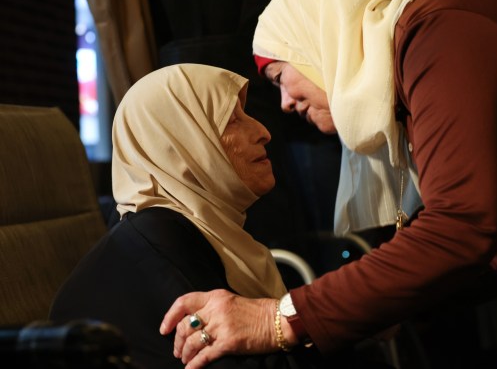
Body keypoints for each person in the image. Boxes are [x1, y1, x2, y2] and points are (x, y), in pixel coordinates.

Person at [159, 0, 497, 369]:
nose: (283, 105)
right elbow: (489, 237)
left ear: (321, 42)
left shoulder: (440, 38)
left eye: (280, 77)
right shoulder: (426, 53)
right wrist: (374, 301)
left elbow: (461, 227)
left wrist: (276, 318)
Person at [49, 64, 372, 369]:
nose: (262, 132)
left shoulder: (204, 227)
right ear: (180, 144)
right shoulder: (159, 241)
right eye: (232, 121)